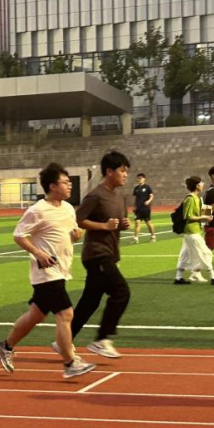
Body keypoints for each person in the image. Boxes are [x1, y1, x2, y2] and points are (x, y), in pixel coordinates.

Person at [0, 163, 94, 379]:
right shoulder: (37, 210)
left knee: (36, 315)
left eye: (69, 182)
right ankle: (69, 363)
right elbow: (19, 235)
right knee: (66, 314)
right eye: (65, 182)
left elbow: (67, 234)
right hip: (46, 272)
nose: (69, 185)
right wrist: (38, 253)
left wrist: (75, 236)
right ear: (52, 186)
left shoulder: (68, 208)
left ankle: (5, 346)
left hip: (62, 269)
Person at [68, 151, 132, 359]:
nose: (125, 175)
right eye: (122, 171)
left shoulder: (120, 196)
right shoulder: (96, 195)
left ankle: (64, 340)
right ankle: (102, 339)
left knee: (90, 300)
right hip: (96, 254)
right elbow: (77, 220)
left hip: (111, 252)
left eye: (126, 171)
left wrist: (122, 225)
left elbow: (116, 223)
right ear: (110, 171)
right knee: (121, 292)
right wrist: (104, 226)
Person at [173, 176, 214, 285]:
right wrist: (204, 217)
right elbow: (188, 216)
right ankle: (213, 277)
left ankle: (178, 277)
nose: (203, 184)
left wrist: (207, 215)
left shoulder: (197, 198)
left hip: (192, 231)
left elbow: (202, 212)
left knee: (185, 255)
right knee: (206, 252)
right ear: (197, 185)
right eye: (201, 183)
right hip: (191, 231)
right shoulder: (190, 198)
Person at [131, 173, 156, 243]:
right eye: (138, 178)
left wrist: (148, 201)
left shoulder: (147, 187)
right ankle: (136, 239)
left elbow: (151, 196)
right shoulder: (136, 188)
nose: (139, 179)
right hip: (138, 209)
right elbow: (136, 198)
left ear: (144, 179)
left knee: (148, 223)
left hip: (145, 209)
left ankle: (153, 236)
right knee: (137, 223)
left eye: (140, 178)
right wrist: (134, 206)